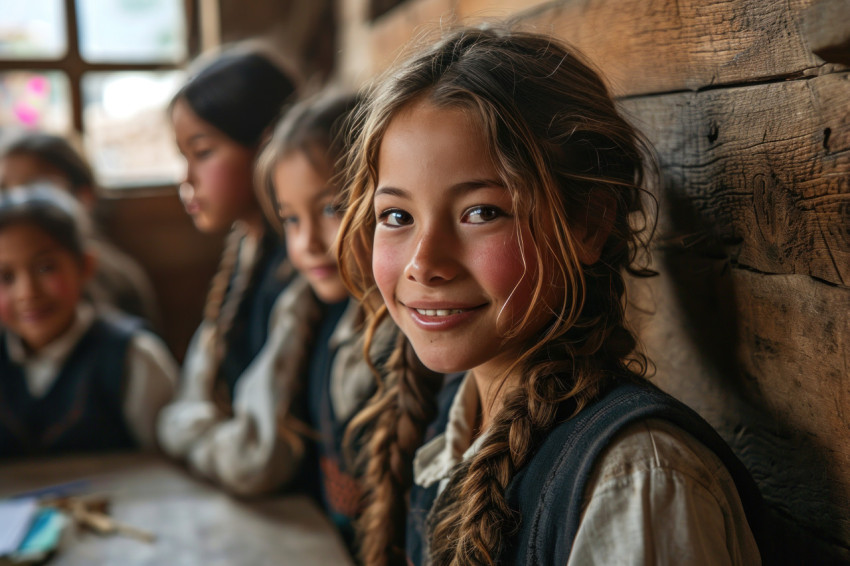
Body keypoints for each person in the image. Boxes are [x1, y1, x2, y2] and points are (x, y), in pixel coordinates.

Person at [337, 27, 764, 566]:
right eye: (397, 216)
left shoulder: (637, 481)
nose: (424, 263)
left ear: (587, 223)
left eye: (481, 213)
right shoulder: (451, 414)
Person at [254, 89, 405, 552]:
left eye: (330, 209)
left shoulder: (418, 343)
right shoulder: (319, 322)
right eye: (291, 220)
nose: (306, 244)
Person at [156, 47, 302, 495]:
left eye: (202, 152)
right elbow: (186, 400)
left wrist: (188, 435)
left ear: (267, 146)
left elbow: (253, 460)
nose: (187, 178)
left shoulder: (301, 270)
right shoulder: (243, 252)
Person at [0, 183, 176, 457]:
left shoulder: (133, 357)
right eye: (5, 277)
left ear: (85, 266)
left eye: (46, 267)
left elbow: (173, 465)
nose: (27, 293)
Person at [0, 132, 160, 326]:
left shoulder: (114, 282)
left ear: (85, 196)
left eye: (37, 191)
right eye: (4, 192)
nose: (17, 206)